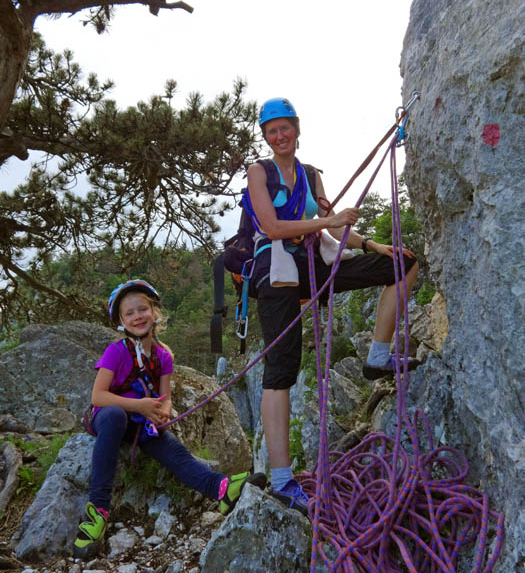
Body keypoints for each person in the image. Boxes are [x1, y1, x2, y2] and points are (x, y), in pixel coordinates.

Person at [246, 98, 419, 516]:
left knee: (404, 263)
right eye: (272, 130)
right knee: (282, 369)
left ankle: (378, 355)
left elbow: (334, 224)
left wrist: (373, 244)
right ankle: (283, 479)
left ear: (297, 128)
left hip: (312, 262)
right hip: (276, 269)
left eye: (284, 127)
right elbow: (271, 226)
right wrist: (327, 223)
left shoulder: (310, 176)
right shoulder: (259, 172)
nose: (279, 135)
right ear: (266, 137)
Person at [74, 279, 266, 560]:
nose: (138, 316)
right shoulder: (116, 352)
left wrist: (163, 412)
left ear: (154, 313)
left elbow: (165, 398)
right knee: (115, 416)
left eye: (143, 309)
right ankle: (97, 512)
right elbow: (98, 397)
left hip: (138, 421)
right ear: (121, 321)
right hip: (107, 415)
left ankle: (221, 489)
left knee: (172, 448)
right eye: (130, 313)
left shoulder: (163, 356)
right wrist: (138, 405)